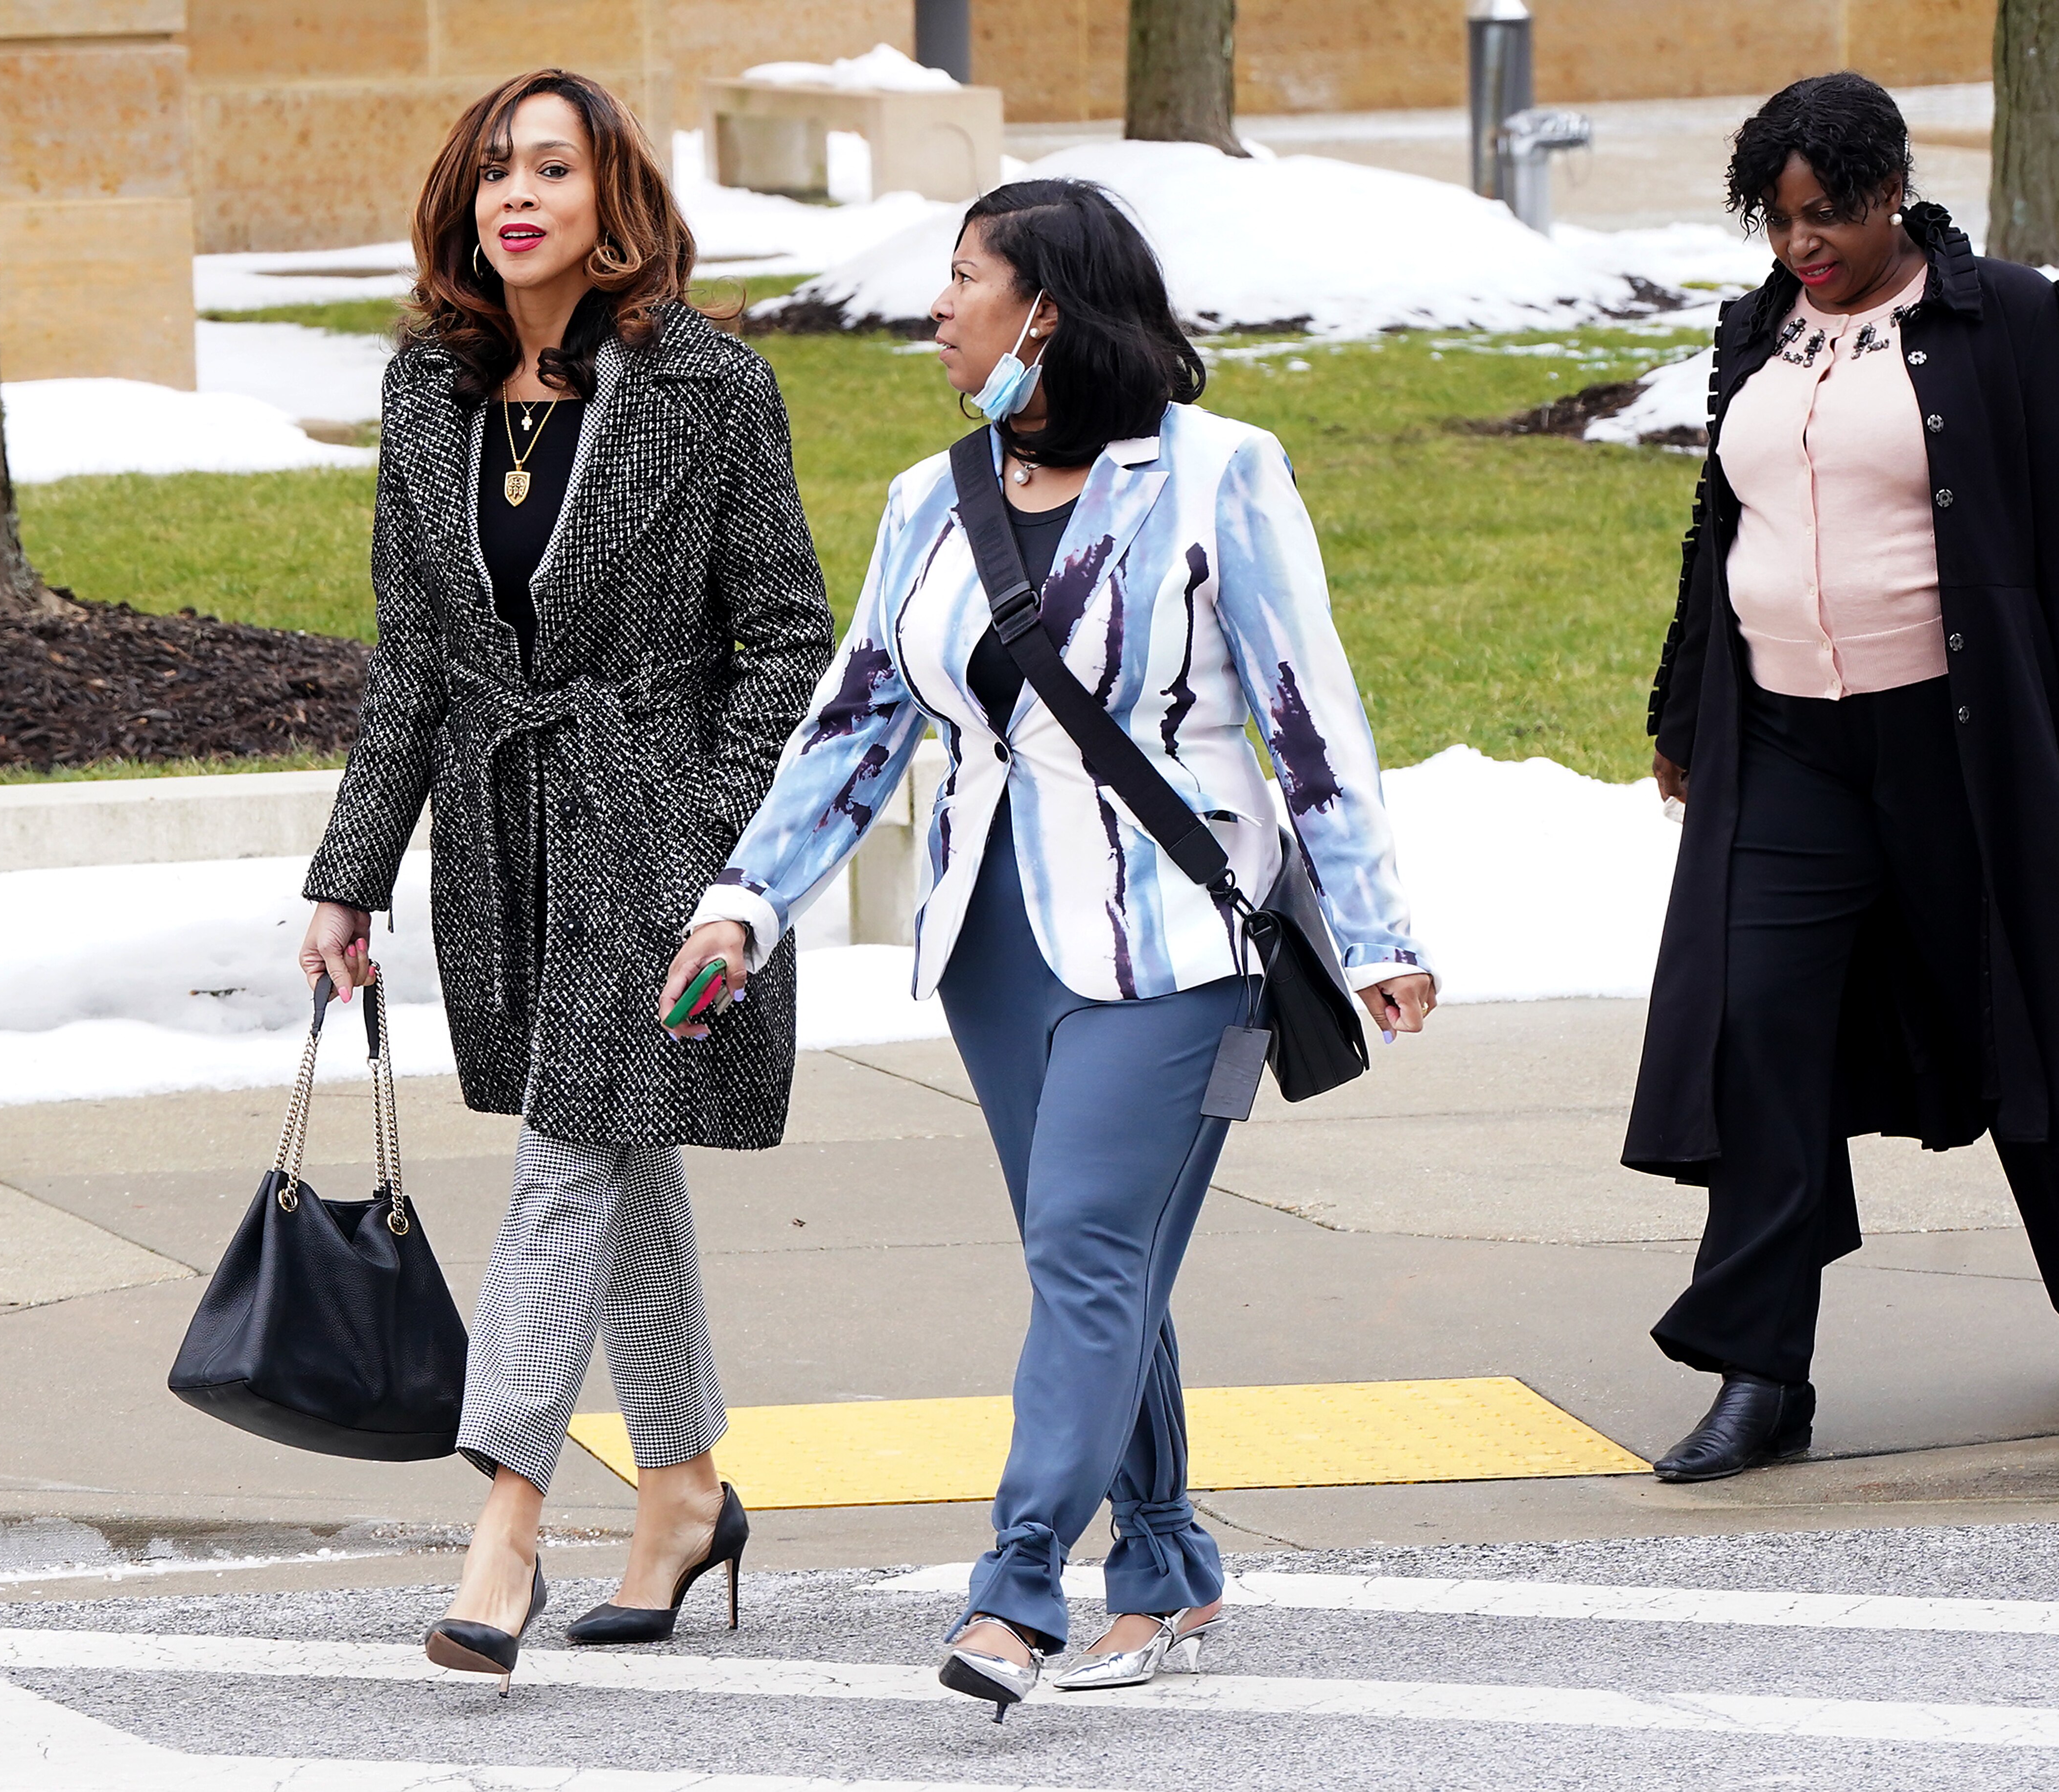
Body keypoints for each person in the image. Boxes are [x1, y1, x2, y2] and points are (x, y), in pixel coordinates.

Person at [660, 178, 1435, 1714]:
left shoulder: (1217, 477)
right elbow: (858, 721)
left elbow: (1308, 717)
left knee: (1088, 1252)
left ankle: (1015, 1593)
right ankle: (1163, 1561)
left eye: (964, 282)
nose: (934, 311)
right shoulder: (924, 501)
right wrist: (743, 902)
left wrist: (1376, 929)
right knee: (1099, 1262)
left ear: (1047, 314)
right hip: (994, 943)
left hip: (1174, 945)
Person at [295, 69, 832, 1683]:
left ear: (611, 200)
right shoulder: (424, 392)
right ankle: (679, 1494)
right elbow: (414, 663)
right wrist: (350, 873)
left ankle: (504, 1526)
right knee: (611, 1145)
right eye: (492, 173)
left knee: (561, 1158)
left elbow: (791, 635)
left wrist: (714, 835)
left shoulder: (710, 388)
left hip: (650, 837)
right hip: (499, 836)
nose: (514, 196)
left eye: (551, 167)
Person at [1630, 71, 2059, 1483]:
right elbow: (1721, 530)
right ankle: (1761, 1370)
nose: (1799, 247)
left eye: (1824, 215)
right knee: (1758, 1029)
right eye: (1775, 222)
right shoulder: (1755, 331)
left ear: (1892, 186)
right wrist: (1683, 711)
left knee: (2041, 1020)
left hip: (1963, 744)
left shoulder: (2005, 318)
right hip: (1785, 747)